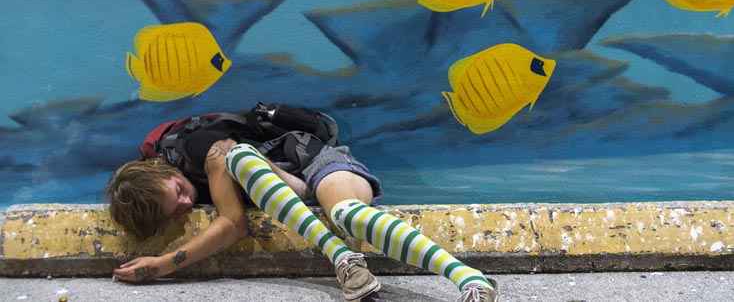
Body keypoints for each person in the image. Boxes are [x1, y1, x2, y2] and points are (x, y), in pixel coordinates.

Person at [106, 118, 500, 302]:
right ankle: (345, 259)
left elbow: (233, 224)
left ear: (160, 168)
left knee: (346, 214)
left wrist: (164, 264)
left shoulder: (197, 145)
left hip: (316, 165)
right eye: (177, 211)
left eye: (178, 192)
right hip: (285, 194)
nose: (187, 203)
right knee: (244, 164)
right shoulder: (177, 180)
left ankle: (472, 282)